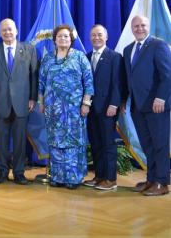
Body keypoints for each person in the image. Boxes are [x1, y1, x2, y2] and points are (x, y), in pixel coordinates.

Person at [38, 24, 94, 189]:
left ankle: (73, 178)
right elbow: (41, 82)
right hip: (52, 109)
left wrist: (86, 103)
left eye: (66, 36)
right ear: (54, 39)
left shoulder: (80, 57)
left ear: (71, 39)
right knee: (55, 142)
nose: (63, 39)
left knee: (73, 142)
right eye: (60, 36)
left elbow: (89, 82)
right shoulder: (48, 58)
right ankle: (57, 177)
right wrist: (41, 103)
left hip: (74, 110)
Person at [0, 18, 38, 185]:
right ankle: (1, 171)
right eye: (4, 30)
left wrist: (33, 97)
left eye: (10, 29)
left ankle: (19, 172)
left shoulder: (29, 49)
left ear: (16, 31)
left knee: (20, 140)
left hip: (22, 102)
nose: (7, 32)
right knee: (1, 140)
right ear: (0, 33)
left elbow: (34, 76)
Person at [124, 15, 171, 196]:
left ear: (148, 26)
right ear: (131, 28)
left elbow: (167, 75)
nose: (139, 28)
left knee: (159, 145)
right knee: (147, 145)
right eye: (136, 26)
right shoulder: (128, 49)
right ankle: (151, 179)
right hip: (137, 106)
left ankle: (162, 182)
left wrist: (161, 98)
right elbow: (130, 79)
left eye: (143, 25)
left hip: (156, 105)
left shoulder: (158, 45)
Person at [83, 24, 126, 191]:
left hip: (108, 108)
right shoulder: (86, 57)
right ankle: (99, 176)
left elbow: (118, 83)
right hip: (91, 109)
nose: (96, 38)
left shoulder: (115, 57)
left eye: (99, 35)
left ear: (106, 37)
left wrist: (114, 104)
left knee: (108, 144)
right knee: (95, 143)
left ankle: (110, 179)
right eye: (93, 35)